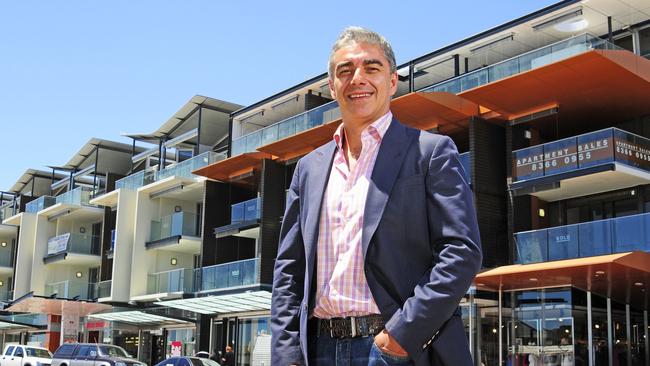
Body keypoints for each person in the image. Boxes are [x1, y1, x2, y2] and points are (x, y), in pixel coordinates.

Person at [271, 26, 482, 366]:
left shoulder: (431, 153)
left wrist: (402, 335)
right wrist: (286, 353)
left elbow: (461, 252)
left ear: (392, 80)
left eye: (371, 68)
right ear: (332, 86)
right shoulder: (308, 169)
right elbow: (289, 271)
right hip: (318, 349)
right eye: (345, 70)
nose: (358, 78)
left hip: (396, 349)